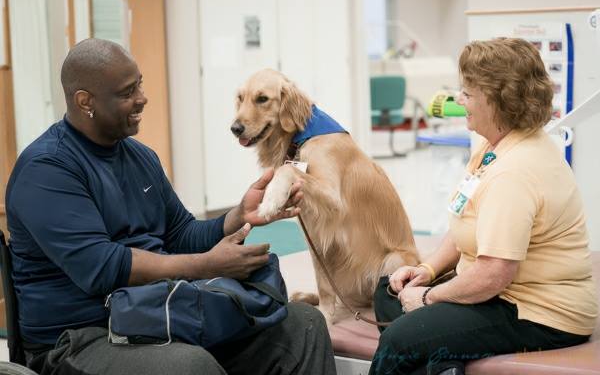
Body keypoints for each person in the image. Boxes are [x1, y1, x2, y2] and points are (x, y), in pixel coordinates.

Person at [5, 38, 337, 375]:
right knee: (189, 366)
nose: (142, 99)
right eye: (126, 93)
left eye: (140, 85)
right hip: (82, 337)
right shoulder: (47, 169)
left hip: (160, 313)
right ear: (84, 101)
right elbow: (101, 268)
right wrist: (205, 266)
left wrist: (237, 216)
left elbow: (181, 232)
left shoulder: (141, 157)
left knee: (302, 326)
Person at [369, 38, 598, 375]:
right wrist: (427, 271)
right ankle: (444, 362)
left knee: (400, 339)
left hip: (538, 313)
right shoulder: (494, 148)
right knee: (389, 291)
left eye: (468, 94)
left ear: (497, 101)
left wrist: (429, 298)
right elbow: (467, 221)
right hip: (499, 294)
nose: (459, 100)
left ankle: (438, 354)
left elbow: (493, 275)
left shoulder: (515, 171)